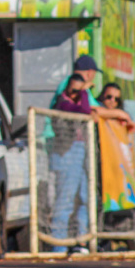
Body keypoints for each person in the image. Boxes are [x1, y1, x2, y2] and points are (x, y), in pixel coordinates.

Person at [50, 74, 91, 253]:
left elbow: (87, 109)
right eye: (73, 90)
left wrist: (84, 94)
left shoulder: (80, 100)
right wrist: (82, 92)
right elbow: (82, 113)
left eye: (79, 91)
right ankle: (58, 246)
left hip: (81, 150)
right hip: (66, 153)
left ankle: (81, 242)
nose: (76, 94)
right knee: (64, 201)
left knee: (85, 197)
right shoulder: (62, 102)